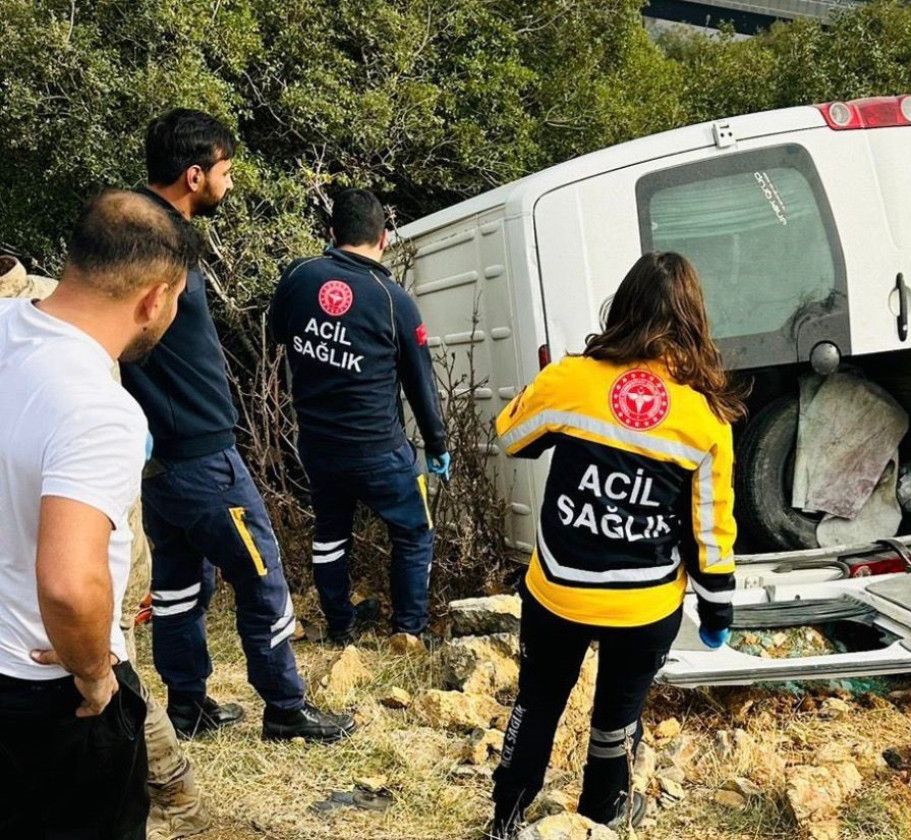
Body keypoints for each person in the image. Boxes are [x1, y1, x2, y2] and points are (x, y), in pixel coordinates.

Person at [487, 252, 743, 837]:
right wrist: (718, 608)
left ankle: (506, 817)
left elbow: (511, 436)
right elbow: (710, 527)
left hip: (559, 589)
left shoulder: (572, 380)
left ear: (623, 308)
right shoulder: (706, 417)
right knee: (617, 718)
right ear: (694, 321)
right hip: (644, 604)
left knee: (537, 702)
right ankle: (601, 812)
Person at [121, 108, 353, 743]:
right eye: (225, 170)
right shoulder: (161, 241)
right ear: (194, 175)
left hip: (161, 462)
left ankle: (187, 704)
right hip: (200, 456)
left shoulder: (136, 233)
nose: (229, 181)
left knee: (179, 582)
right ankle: (285, 707)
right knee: (261, 572)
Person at [0, 190, 195, 839]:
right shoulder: (97, 406)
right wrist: (92, 674)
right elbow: (68, 582)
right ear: (154, 299)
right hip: (46, 697)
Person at [269, 188, 449, 646]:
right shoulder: (393, 300)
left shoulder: (299, 276)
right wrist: (437, 444)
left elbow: (279, 334)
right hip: (379, 450)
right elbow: (420, 383)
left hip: (318, 446)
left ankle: (340, 627)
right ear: (384, 238)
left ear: (331, 232)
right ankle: (409, 630)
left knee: (331, 534)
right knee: (415, 531)